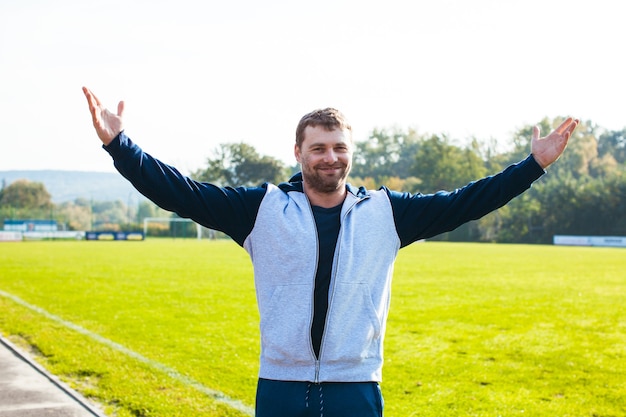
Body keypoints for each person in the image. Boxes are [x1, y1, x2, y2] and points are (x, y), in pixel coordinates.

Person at [82, 86, 579, 417]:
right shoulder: (261, 209)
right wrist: (122, 146)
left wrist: (531, 166)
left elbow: (467, 202)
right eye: (318, 148)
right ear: (297, 153)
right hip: (280, 384)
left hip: (356, 386)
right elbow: (181, 192)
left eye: (339, 147)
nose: (330, 157)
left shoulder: (387, 213)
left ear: (350, 153)